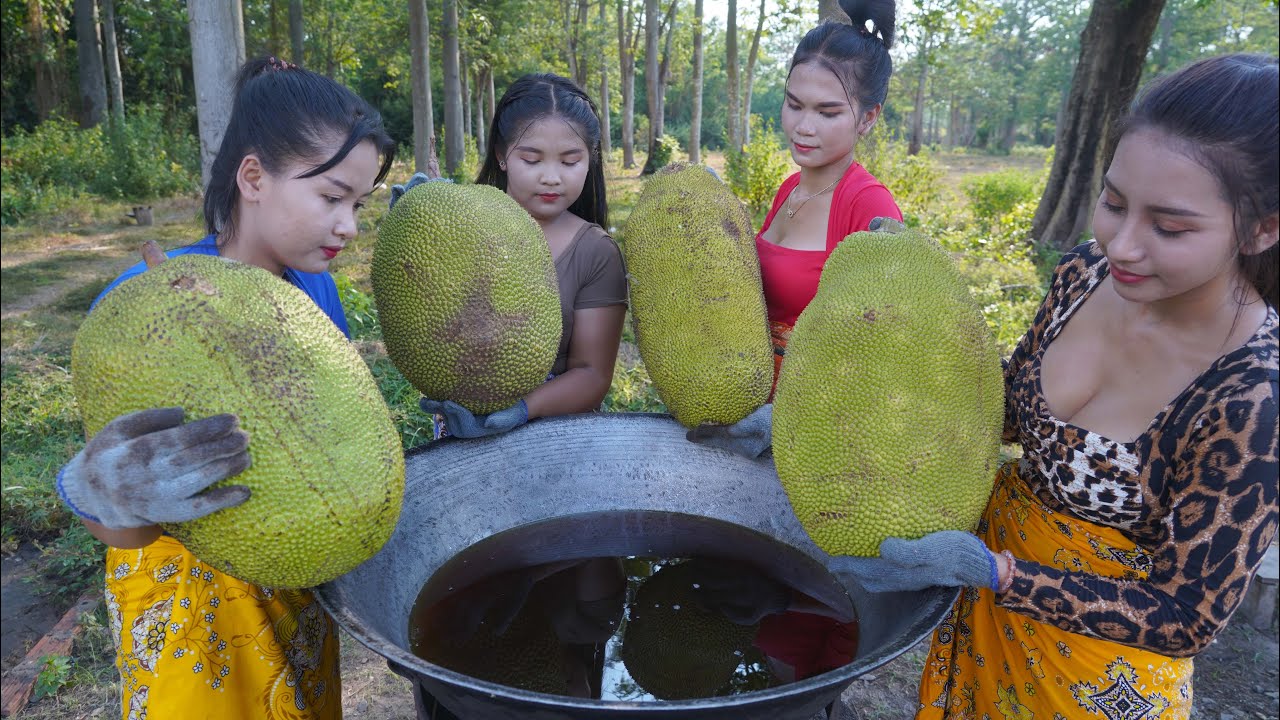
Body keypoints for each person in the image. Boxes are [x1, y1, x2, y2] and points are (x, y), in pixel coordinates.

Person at [837, 53, 1279, 717]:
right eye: (1113, 203)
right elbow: (1003, 415)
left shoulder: (1255, 395)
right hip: (985, 621)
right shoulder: (1081, 278)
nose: (1122, 245)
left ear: (1263, 229)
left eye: (1169, 227)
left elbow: (1187, 615)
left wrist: (1001, 575)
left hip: (1095, 678)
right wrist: (843, 409)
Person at [54, 57, 396, 719]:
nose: (349, 225)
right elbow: (120, 528)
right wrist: (98, 487)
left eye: (358, 204)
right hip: (190, 609)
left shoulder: (316, 291)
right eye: (331, 198)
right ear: (253, 177)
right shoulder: (142, 306)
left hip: (295, 589)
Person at [687, 0, 903, 458]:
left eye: (827, 113)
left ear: (868, 117)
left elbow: (881, 349)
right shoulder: (789, 188)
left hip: (820, 428)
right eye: (793, 105)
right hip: (744, 408)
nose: (803, 127)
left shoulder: (868, 206)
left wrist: (787, 416)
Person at [397, 73, 627, 440]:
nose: (551, 177)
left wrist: (521, 409)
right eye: (532, 159)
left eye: (570, 162)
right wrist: (413, 226)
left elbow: (593, 374)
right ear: (502, 155)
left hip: (554, 441)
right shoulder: (457, 226)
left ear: (590, 160)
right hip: (460, 432)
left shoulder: (596, 252)